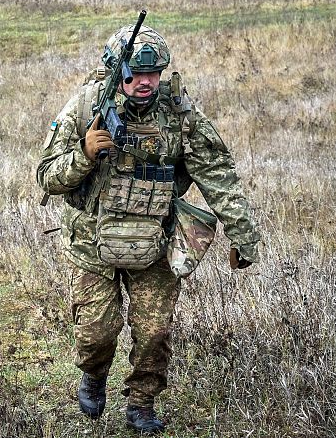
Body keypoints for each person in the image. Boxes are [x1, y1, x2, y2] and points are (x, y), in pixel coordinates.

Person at [36, 23, 260, 434]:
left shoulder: (178, 115)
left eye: (153, 73)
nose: (145, 82)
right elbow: (47, 178)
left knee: (154, 331)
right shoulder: (85, 107)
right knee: (96, 334)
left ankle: (141, 401)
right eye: (135, 74)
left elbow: (219, 175)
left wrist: (244, 235)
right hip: (91, 244)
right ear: (114, 71)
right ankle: (94, 372)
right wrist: (84, 154)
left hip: (155, 242)